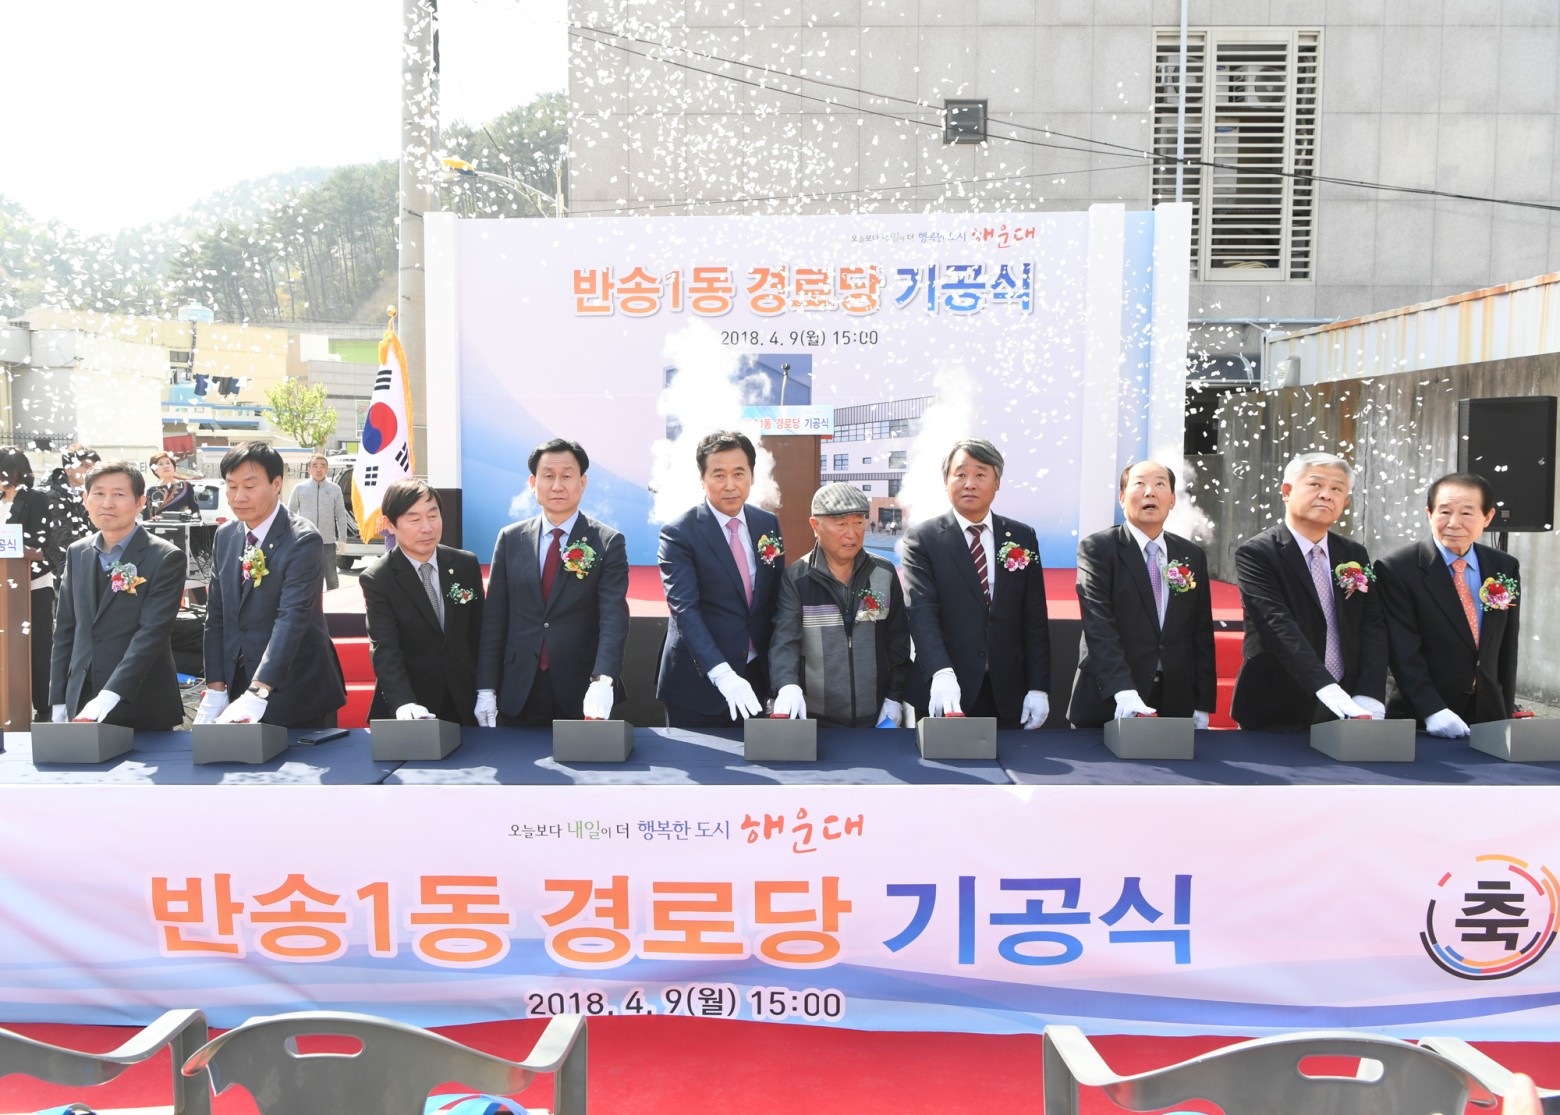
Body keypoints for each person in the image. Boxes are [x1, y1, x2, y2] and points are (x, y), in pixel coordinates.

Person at [475, 439, 628, 727]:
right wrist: (486, 688)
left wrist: (603, 679)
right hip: (519, 688)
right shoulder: (510, 539)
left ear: (582, 482)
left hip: (582, 689)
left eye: (567, 476)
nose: (557, 485)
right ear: (533, 483)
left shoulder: (607, 542)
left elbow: (613, 617)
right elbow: (494, 619)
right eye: (548, 476)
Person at [1230, 451, 1387, 731]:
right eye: (1315, 484)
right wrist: (1325, 687)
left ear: (1345, 502)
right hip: (1277, 702)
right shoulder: (1257, 553)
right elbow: (1276, 623)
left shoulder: (1353, 553)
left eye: (1337, 489)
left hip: (1349, 702)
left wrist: (1370, 691)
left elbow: (1372, 623)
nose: (1326, 495)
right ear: (1287, 491)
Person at [901, 438, 1051, 728]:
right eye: (960, 474)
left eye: (981, 474)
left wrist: (1038, 686)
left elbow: (1034, 618)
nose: (969, 483)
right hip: (946, 691)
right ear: (946, 482)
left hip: (1008, 692)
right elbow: (921, 611)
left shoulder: (1022, 536)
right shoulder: (923, 539)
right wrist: (941, 672)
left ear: (997, 482)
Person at [194, 441, 346, 728]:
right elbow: (216, 615)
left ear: (276, 484)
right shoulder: (225, 536)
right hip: (239, 683)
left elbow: (292, 618)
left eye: (250, 486)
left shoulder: (302, 539)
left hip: (295, 689)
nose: (239, 496)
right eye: (231, 486)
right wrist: (215, 687)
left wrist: (260, 689)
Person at [1069, 461, 1217, 728]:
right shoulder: (1098, 549)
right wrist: (1123, 690)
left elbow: (1201, 630)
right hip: (1110, 699)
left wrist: (1202, 700)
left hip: (1174, 700)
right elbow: (1099, 625)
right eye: (1139, 484)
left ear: (1172, 499)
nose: (1150, 492)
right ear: (1122, 497)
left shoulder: (1191, 555)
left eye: (1160, 484)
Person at [656, 430, 785, 727]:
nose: (730, 485)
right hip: (698, 682)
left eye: (739, 473)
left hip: (755, 678)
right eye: (718, 475)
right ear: (702, 479)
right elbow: (685, 610)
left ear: (752, 476)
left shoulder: (767, 524)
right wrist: (722, 674)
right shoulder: (679, 533)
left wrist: (782, 678)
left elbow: (777, 599)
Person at [1375, 472, 1520, 736]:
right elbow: (1402, 651)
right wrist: (1432, 710)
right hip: (1421, 716)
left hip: (1488, 712)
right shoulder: (1397, 568)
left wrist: (1504, 710)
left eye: (1466, 513)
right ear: (1429, 513)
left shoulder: (1503, 566)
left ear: (1487, 517)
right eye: (1444, 512)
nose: (1454, 523)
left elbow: (1507, 647)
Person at [48, 461, 184, 729]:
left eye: (119, 494)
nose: (107, 503)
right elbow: (65, 629)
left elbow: (152, 633)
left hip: (141, 702)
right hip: (82, 697)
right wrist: (59, 699)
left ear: (140, 501)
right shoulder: (77, 552)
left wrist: (110, 695)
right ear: (86, 499)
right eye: (98, 493)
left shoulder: (165, 557)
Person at [769, 483, 912, 728]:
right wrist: (787, 685)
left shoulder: (884, 573)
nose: (852, 534)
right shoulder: (797, 579)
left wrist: (894, 697)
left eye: (858, 522)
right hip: (816, 718)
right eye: (841, 524)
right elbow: (785, 641)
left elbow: (898, 641)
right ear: (815, 526)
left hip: (877, 715)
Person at [360, 479, 485, 723]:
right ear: (390, 524)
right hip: (414, 705)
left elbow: (480, 634)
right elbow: (385, 648)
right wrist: (404, 703)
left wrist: (488, 689)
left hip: (465, 701)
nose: (427, 528)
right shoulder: (379, 578)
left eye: (433, 516)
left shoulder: (464, 564)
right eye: (414, 520)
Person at [1, 448, 60, 722]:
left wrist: (12, 543)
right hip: (4, 585)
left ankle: (43, 705)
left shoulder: (35, 498)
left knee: (38, 643)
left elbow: (40, 540)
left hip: (32, 581)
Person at [286, 453, 355, 591]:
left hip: (328, 542)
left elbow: (341, 515)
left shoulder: (335, 489)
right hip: (306, 542)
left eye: (322, 466)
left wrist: (342, 539)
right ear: (309, 469)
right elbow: (290, 515)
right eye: (315, 466)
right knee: (306, 578)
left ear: (327, 469)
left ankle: (333, 604)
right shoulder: (299, 488)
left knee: (332, 580)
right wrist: (290, 538)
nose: (319, 469)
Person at [44, 443, 100, 555]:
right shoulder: (52, 495)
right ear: (68, 469)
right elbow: (62, 538)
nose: (91, 472)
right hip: (60, 560)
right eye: (85, 466)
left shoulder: (91, 492)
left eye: (94, 468)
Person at [143, 451, 200, 518]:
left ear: (173, 466)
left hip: (182, 524)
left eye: (168, 463)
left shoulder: (186, 486)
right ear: (155, 470)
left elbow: (196, 511)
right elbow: (147, 517)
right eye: (160, 464)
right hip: (160, 525)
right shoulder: (151, 491)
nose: (165, 466)